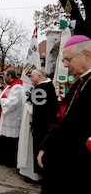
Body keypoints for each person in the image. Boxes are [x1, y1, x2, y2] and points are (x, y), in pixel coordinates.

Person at [37, 35, 91, 193]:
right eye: (64, 60)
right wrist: (46, 146)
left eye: (69, 59)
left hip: (77, 165)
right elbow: (63, 119)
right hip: (63, 159)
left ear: (86, 55)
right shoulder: (80, 82)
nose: (66, 65)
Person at [17, 69, 59, 182]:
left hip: (41, 125)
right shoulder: (46, 86)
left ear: (39, 76)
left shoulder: (42, 88)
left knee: (37, 149)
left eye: (32, 76)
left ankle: (37, 176)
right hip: (43, 124)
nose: (30, 78)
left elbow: (33, 107)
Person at [0, 69, 24, 168]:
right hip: (6, 116)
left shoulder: (18, 87)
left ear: (10, 76)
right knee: (3, 136)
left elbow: (12, 102)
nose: (3, 77)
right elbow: (2, 97)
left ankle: (8, 161)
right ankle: (1, 158)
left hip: (12, 118)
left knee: (9, 138)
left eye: (5, 75)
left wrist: (0, 102)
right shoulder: (9, 86)